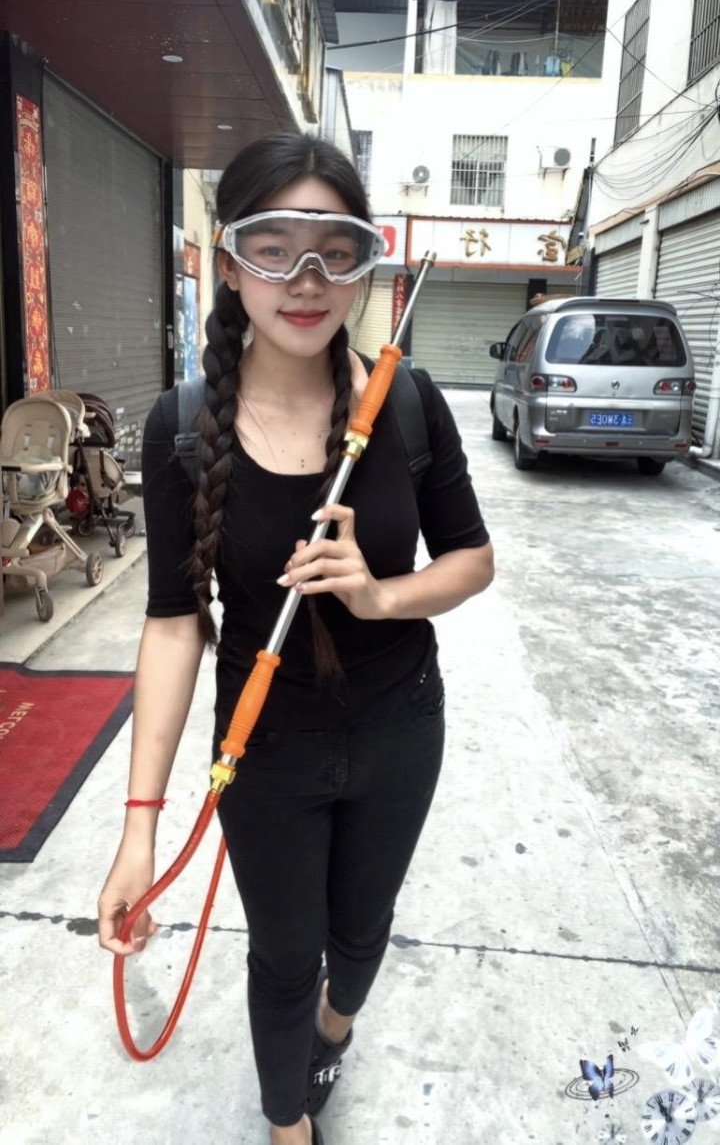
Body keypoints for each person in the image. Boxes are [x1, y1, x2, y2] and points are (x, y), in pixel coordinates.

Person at [97, 132, 494, 1145]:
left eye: (334, 250)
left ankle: (335, 1032)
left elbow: (473, 559)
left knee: (358, 940)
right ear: (230, 265)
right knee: (284, 956)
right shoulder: (182, 427)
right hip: (265, 746)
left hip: (400, 727)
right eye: (274, 249)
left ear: (364, 265)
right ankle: (289, 1126)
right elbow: (174, 626)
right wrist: (140, 831)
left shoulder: (407, 403)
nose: (306, 279)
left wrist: (379, 597)